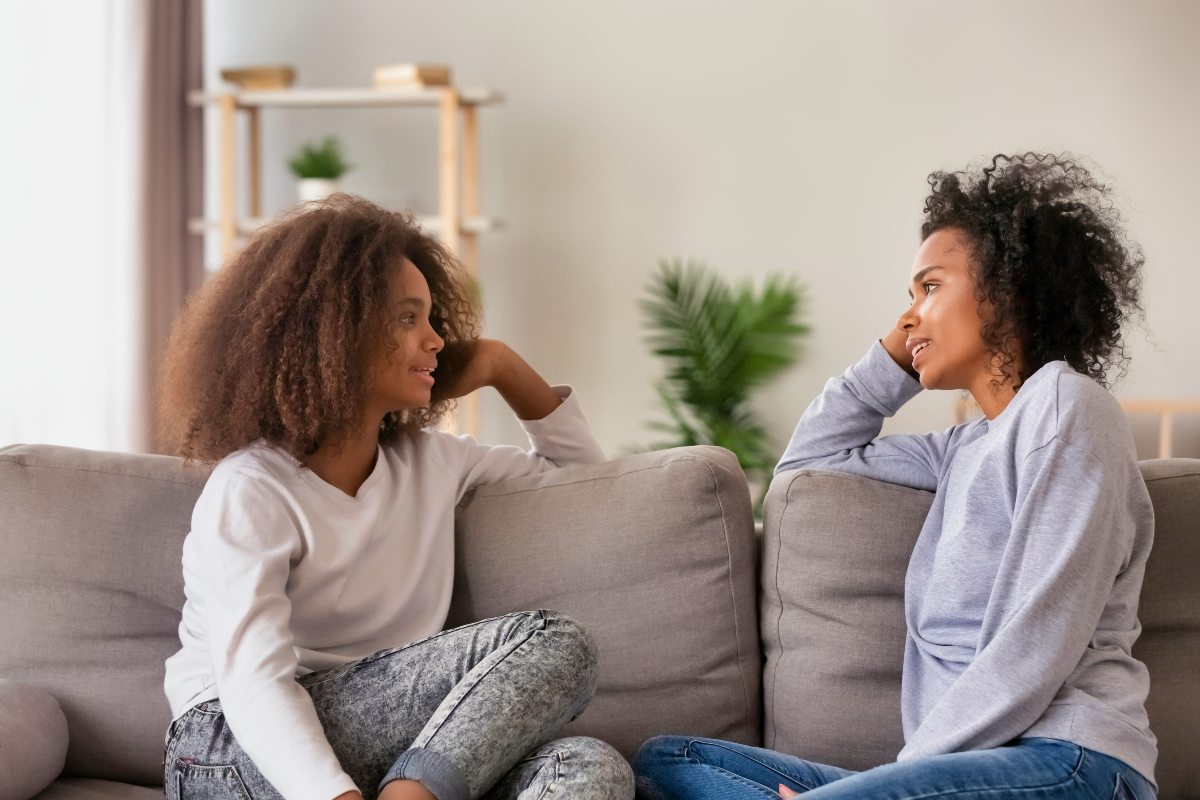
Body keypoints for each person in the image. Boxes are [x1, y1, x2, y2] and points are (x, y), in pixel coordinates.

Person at [632, 153, 1157, 799]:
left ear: (1008, 291)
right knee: (670, 761)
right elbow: (808, 466)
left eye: (930, 287)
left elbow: (1037, 643)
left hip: (1071, 762)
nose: (910, 318)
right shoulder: (961, 449)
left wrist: (898, 783)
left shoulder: (1068, 407)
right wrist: (891, 362)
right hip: (952, 773)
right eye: (909, 297)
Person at [159, 195, 634, 800]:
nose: (437, 340)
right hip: (227, 750)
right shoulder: (250, 488)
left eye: (433, 318)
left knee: (587, 766)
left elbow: (587, 485)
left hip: (383, 748)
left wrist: (500, 365)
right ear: (330, 333)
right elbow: (254, 683)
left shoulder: (435, 460)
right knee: (556, 642)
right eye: (408, 319)